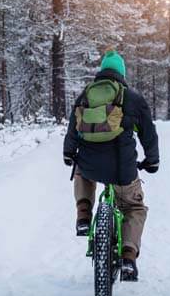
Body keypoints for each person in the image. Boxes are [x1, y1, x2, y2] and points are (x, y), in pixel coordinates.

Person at [64, 50, 159, 281]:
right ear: (122, 73)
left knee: (80, 172)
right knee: (134, 208)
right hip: (122, 168)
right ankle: (128, 257)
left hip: (89, 166)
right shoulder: (133, 98)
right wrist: (152, 160)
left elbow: (73, 128)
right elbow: (148, 134)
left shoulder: (86, 94)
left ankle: (84, 217)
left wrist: (69, 153)